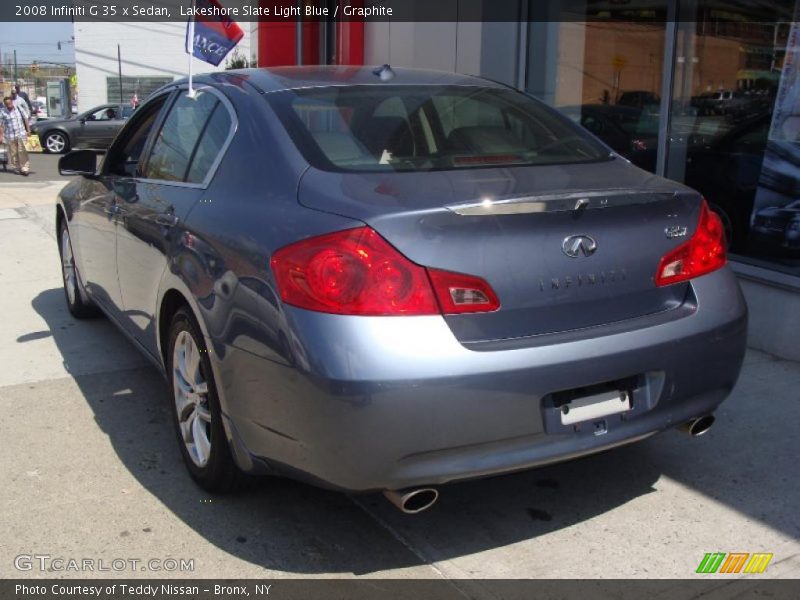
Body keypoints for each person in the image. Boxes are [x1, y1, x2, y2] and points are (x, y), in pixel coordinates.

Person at [0, 95, 30, 176]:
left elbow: (26, 118)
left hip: (21, 134)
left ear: (12, 102)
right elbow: (1, 125)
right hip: (10, 135)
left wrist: (28, 130)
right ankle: (16, 168)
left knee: (22, 151)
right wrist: (1, 136)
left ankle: (24, 168)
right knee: (13, 153)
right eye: (7, 104)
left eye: (9, 103)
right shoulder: (2, 112)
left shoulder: (19, 108)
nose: (8, 105)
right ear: (5, 104)